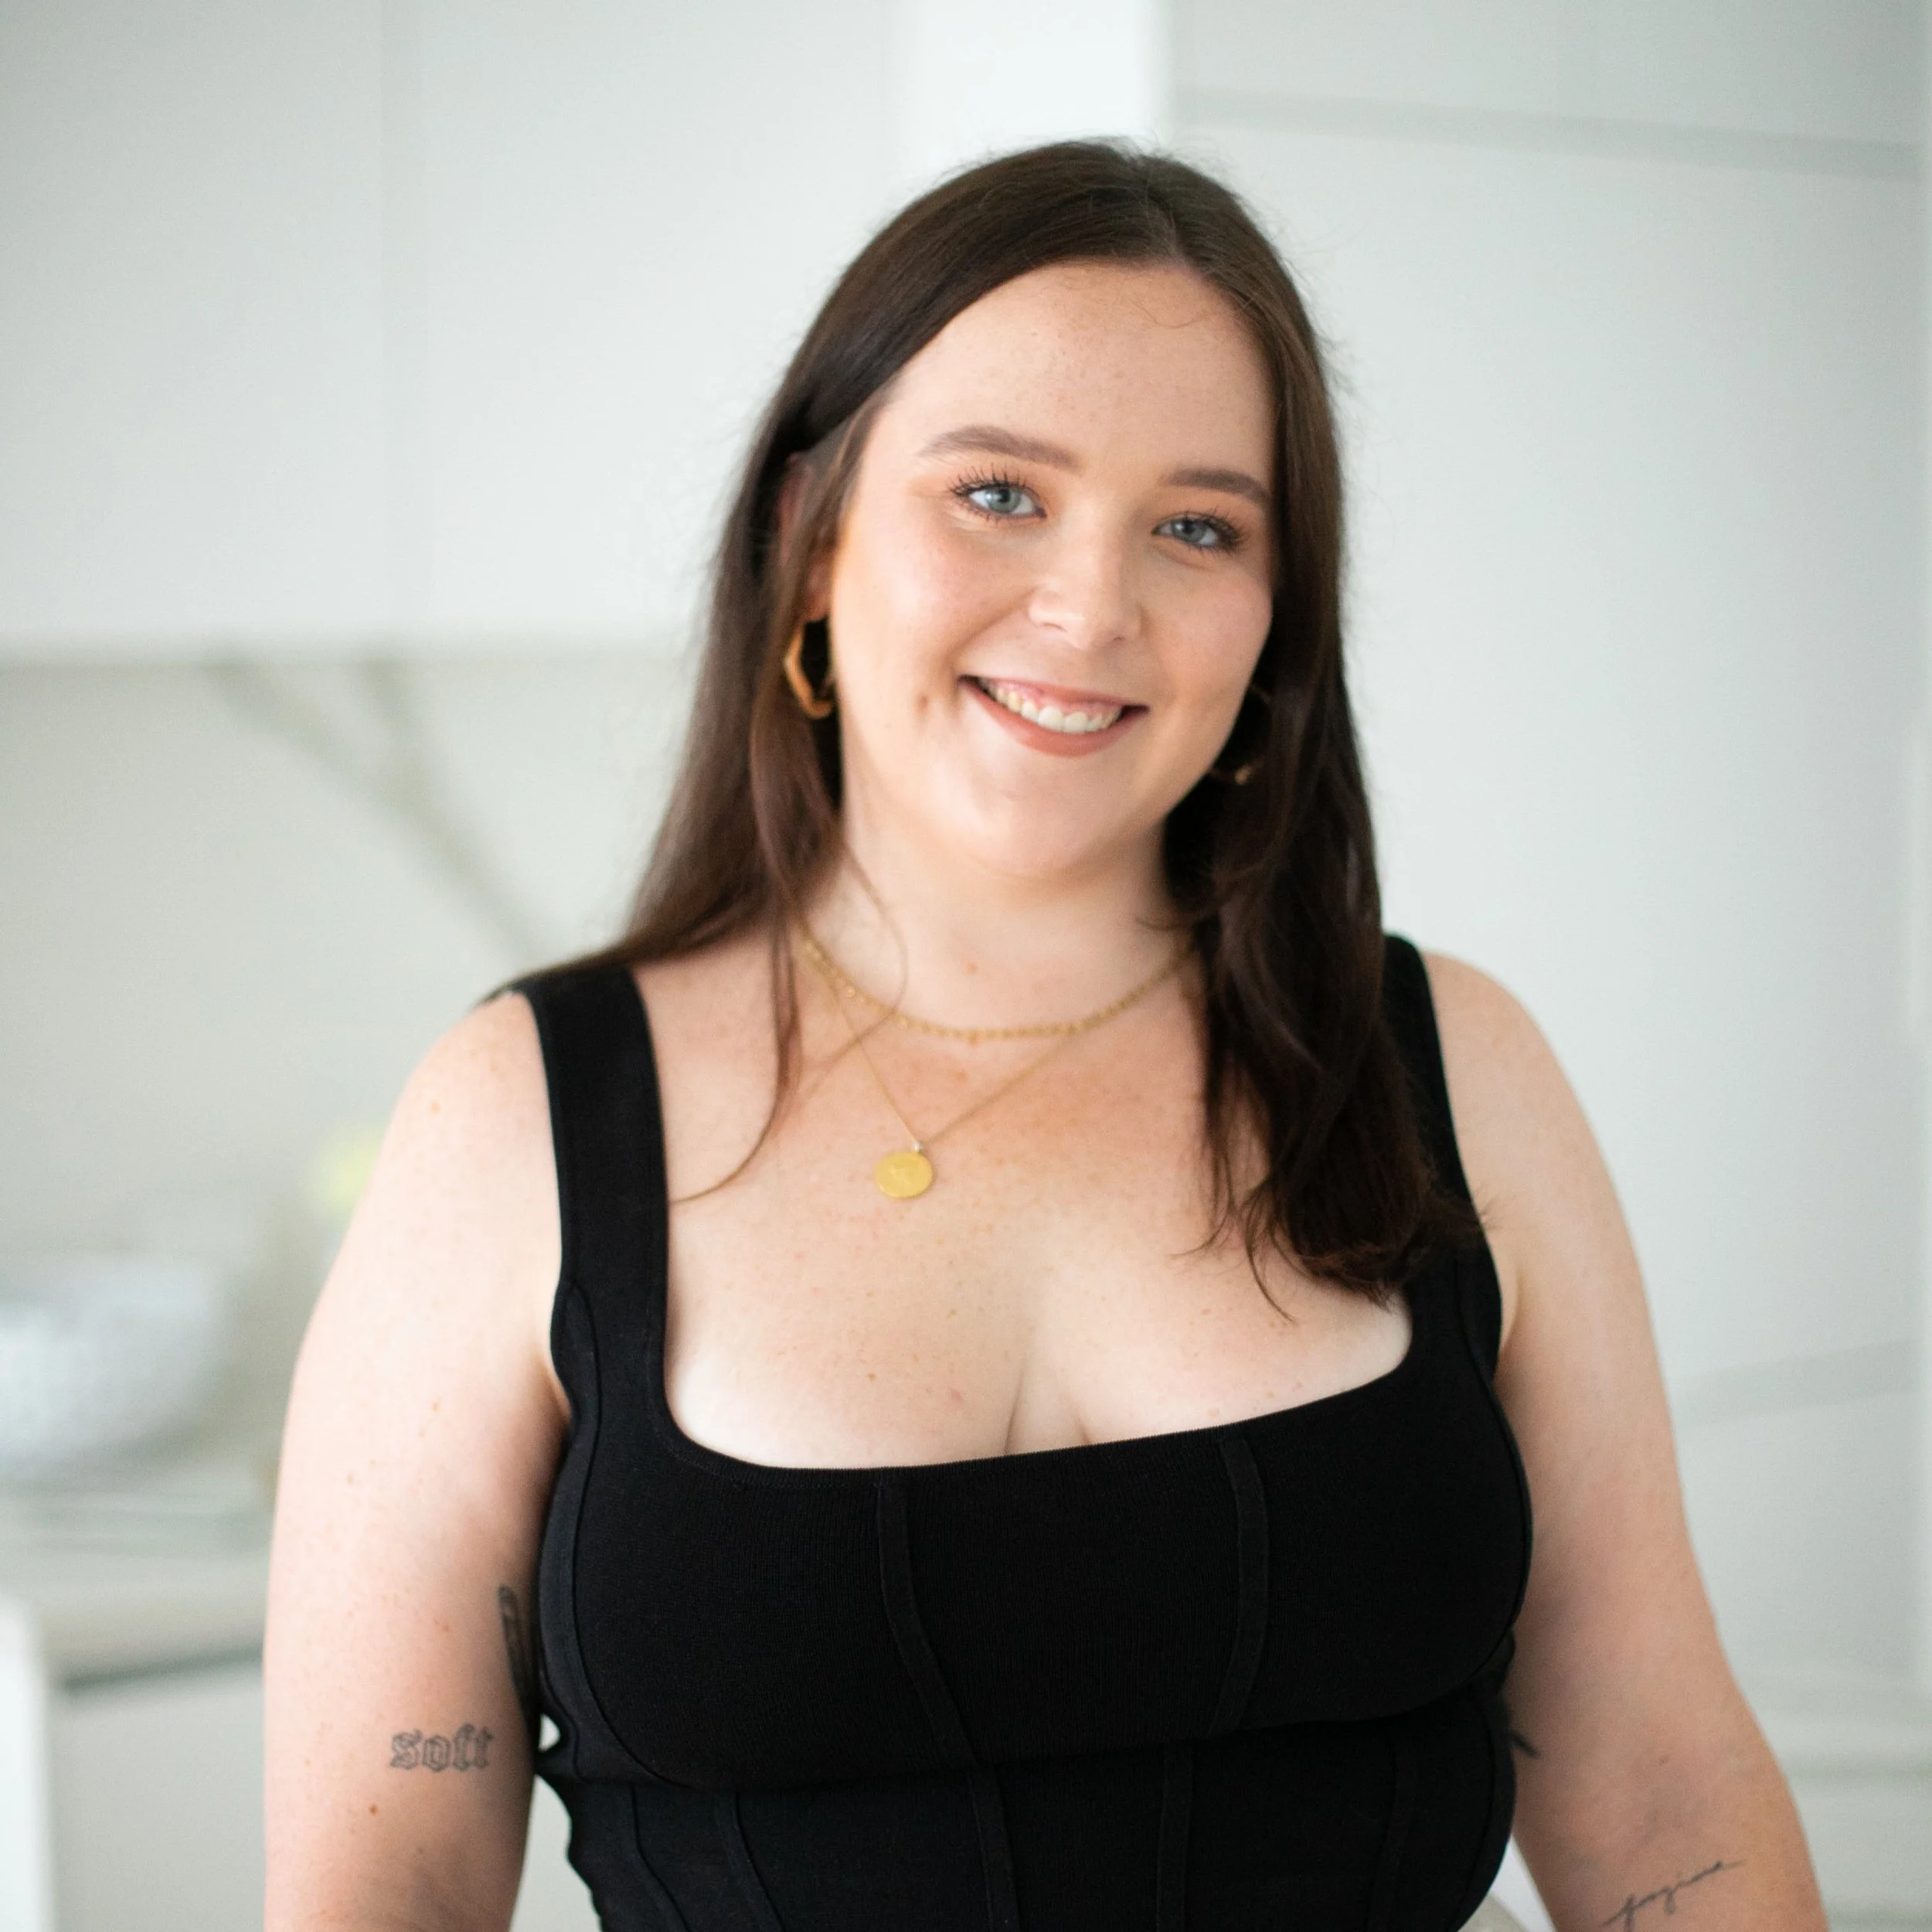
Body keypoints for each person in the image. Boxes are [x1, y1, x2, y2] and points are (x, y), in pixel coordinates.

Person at [264, 143, 1825, 1931]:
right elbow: (387, 1874)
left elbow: (1655, 1792)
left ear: (1275, 613)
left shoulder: (1452, 1072)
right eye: (998, 492)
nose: (1090, 609)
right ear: (809, 535)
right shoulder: (520, 1116)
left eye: (1197, 525)